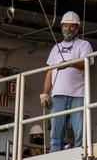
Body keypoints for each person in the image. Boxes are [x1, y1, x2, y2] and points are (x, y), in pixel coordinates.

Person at [39, 11, 93, 152]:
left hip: (78, 95)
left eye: (72, 26)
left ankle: (81, 156)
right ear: (61, 26)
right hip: (57, 95)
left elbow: (85, 64)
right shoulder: (55, 48)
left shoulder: (84, 45)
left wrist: (69, 63)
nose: (68, 29)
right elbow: (50, 72)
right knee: (55, 134)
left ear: (77, 28)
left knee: (80, 132)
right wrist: (45, 94)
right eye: (66, 25)